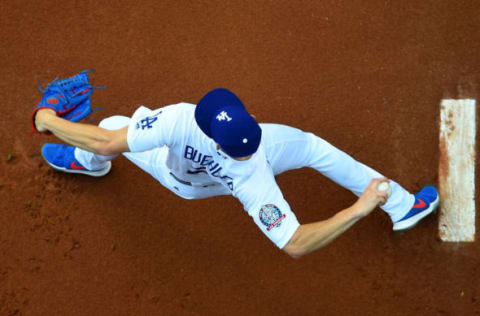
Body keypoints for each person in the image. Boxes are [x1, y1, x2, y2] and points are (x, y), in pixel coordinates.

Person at [33, 88, 439, 258]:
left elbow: (107, 141)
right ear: (254, 125)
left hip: (177, 179)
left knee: (111, 129)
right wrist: (364, 203)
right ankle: (401, 205)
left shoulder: (179, 119)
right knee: (313, 147)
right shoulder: (256, 174)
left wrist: (48, 118)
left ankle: (86, 164)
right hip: (224, 178)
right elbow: (293, 242)